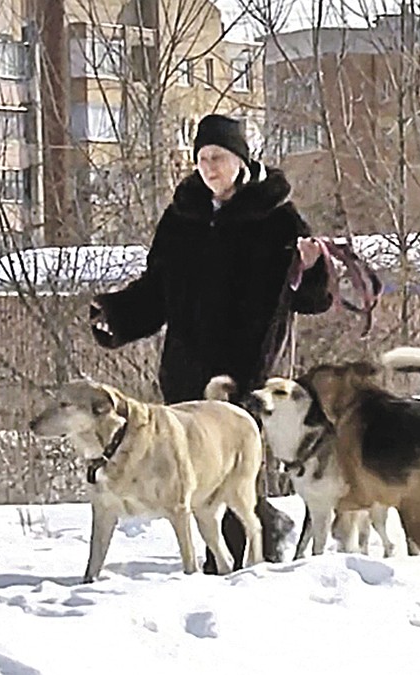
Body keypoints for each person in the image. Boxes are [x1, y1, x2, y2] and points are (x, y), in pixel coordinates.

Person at [88, 113, 333, 573]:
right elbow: (158, 288)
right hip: (188, 364)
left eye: (218, 157)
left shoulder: (277, 217)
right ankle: (249, 539)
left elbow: (312, 299)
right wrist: (117, 315)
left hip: (249, 364)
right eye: (202, 158)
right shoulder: (184, 217)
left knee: (236, 463)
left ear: (240, 160)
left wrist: (315, 267)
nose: (209, 167)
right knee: (196, 470)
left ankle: (237, 564)